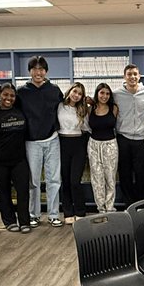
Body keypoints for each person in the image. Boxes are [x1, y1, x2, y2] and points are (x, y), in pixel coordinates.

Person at [17, 56, 65, 227]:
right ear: (30, 71)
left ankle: (53, 214)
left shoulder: (54, 90)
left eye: (41, 69)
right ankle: (34, 214)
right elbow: (10, 109)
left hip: (52, 139)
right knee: (34, 181)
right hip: (31, 141)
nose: (38, 72)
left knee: (54, 179)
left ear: (46, 71)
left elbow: (66, 107)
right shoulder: (21, 92)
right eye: (34, 69)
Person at [0, 83, 32, 232]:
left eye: (12, 95)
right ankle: (9, 221)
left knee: (23, 190)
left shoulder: (20, 111)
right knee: (4, 191)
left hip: (19, 159)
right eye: (5, 95)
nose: (9, 98)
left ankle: (24, 221)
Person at [112, 64, 144, 205]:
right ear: (124, 77)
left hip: (141, 139)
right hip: (123, 139)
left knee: (142, 174)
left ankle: (141, 206)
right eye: (129, 74)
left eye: (135, 74)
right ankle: (129, 205)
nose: (132, 77)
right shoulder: (116, 94)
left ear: (139, 76)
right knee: (125, 174)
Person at [57, 82, 90, 222]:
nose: (76, 95)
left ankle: (80, 211)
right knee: (65, 180)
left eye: (80, 94)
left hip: (78, 144)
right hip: (62, 143)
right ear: (69, 91)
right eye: (75, 91)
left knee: (75, 181)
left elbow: (88, 128)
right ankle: (68, 213)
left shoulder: (83, 109)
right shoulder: (59, 106)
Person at [87, 82, 119, 212]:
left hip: (110, 145)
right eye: (102, 93)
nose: (104, 96)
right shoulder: (90, 109)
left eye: (107, 93)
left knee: (110, 178)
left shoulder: (114, 108)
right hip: (94, 145)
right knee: (97, 178)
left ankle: (110, 207)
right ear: (97, 94)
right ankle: (101, 207)